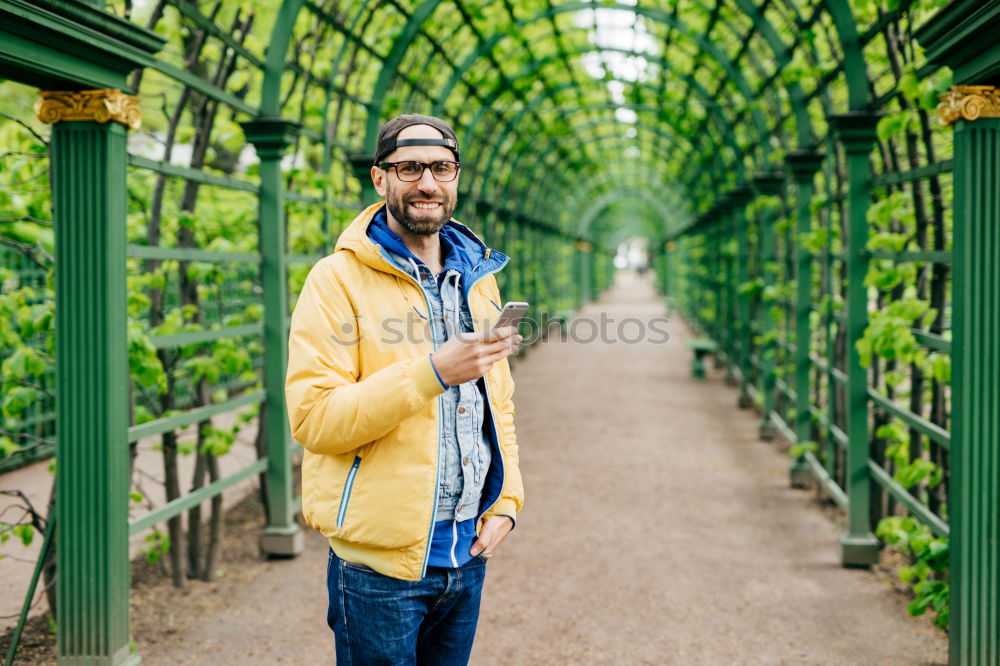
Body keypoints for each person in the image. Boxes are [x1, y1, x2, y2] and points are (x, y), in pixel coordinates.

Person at [285, 113, 524, 664]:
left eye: (441, 168)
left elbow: (499, 405)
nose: (427, 183)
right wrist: (431, 372)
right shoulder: (335, 279)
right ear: (379, 178)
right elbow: (314, 418)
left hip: (467, 555)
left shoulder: (478, 278)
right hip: (378, 568)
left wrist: (507, 499)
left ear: (456, 177)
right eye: (410, 167)